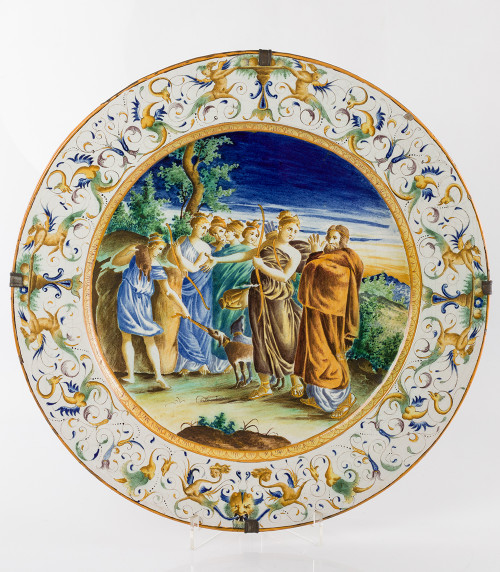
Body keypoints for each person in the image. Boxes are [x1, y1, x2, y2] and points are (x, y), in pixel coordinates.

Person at [203, 211, 304, 399]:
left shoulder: (294, 253)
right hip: (259, 297)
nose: (292, 233)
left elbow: (284, 276)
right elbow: (246, 255)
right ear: (280, 227)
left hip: (278, 298)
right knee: (260, 339)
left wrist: (262, 266)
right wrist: (217, 259)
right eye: (289, 229)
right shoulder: (266, 245)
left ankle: (295, 379)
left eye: (296, 231)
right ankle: (265, 385)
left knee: (286, 339)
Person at [295, 225, 363, 419]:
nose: (330, 241)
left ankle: (345, 399)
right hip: (316, 314)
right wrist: (317, 256)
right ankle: (317, 397)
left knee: (328, 356)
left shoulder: (344, 260)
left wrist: (315, 254)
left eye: (335, 238)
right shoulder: (329, 258)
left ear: (343, 241)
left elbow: (319, 272)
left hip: (332, 318)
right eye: (329, 237)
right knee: (314, 354)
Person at [113, 233, 190, 388]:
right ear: (152, 246)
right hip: (127, 298)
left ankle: (158, 375)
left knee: (148, 338)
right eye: (159, 249)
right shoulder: (136, 256)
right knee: (127, 337)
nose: (160, 252)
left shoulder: (156, 266)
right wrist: (129, 248)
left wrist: (182, 308)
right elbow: (115, 261)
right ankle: (131, 375)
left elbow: (168, 291)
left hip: (142, 302)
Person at [170, 212, 229, 374]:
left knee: (202, 322)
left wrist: (180, 257)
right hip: (183, 286)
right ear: (195, 225)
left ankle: (202, 362)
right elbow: (172, 259)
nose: (205, 231)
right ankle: (189, 362)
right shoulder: (182, 240)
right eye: (203, 227)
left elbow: (194, 268)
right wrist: (179, 264)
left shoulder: (205, 247)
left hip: (201, 287)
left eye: (206, 228)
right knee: (184, 324)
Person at [211, 219, 253, 359]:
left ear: (235, 233)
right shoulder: (224, 250)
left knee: (233, 322)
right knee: (217, 321)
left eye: (227, 232)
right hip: (219, 291)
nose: (224, 234)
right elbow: (214, 266)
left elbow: (248, 274)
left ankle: (233, 354)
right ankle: (219, 354)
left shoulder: (246, 251)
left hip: (235, 294)